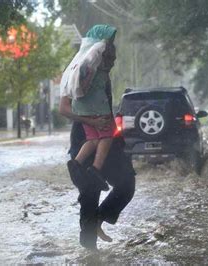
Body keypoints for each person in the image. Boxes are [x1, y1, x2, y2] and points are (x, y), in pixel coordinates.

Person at [59, 24, 136, 250]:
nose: (112, 56)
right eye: (109, 50)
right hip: (84, 135)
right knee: (89, 190)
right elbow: (63, 108)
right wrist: (91, 122)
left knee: (126, 184)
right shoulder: (77, 71)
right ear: (99, 49)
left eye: (113, 52)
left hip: (109, 136)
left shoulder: (102, 74)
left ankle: (99, 220)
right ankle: (89, 248)